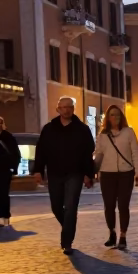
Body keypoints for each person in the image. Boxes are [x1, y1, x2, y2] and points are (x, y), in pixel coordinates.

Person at [34, 96, 96, 253]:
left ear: (73, 109)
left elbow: (88, 153)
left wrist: (89, 174)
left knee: (70, 207)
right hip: (54, 173)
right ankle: (69, 226)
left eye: (70, 107)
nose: (67, 110)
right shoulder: (49, 129)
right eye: (63, 107)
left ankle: (67, 241)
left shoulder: (82, 129)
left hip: (75, 173)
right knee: (56, 207)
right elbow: (41, 151)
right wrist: (38, 170)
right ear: (58, 109)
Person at [93, 104, 138, 250]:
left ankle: (123, 236)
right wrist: (94, 171)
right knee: (109, 206)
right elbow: (99, 154)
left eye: (118, 115)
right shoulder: (102, 136)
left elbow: (135, 152)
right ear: (108, 118)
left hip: (126, 173)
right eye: (112, 115)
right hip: (107, 174)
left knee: (123, 206)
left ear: (122, 118)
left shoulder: (129, 132)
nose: (115, 118)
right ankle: (112, 232)